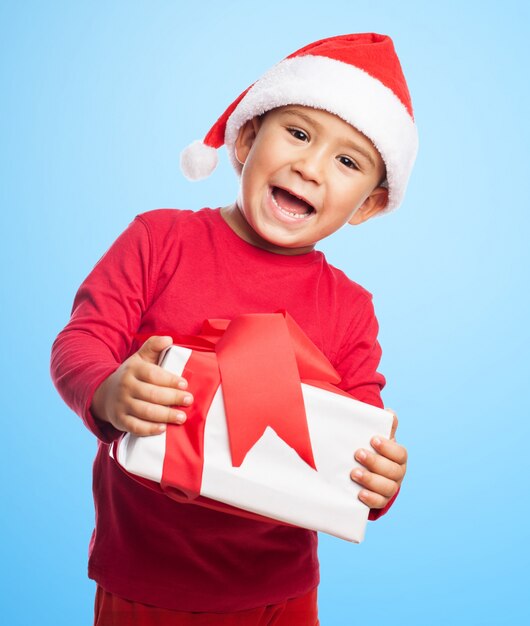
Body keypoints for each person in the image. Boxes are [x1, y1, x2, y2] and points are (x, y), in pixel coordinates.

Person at [50, 33, 417, 625]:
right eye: (297, 133)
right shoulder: (159, 240)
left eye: (347, 162)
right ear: (246, 138)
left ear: (368, 206)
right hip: (144, 580)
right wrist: (105, 390)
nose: (310, 166)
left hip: (280, 594)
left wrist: (378, 477)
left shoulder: (351, 308)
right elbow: (81, 340)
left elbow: (359, 431)